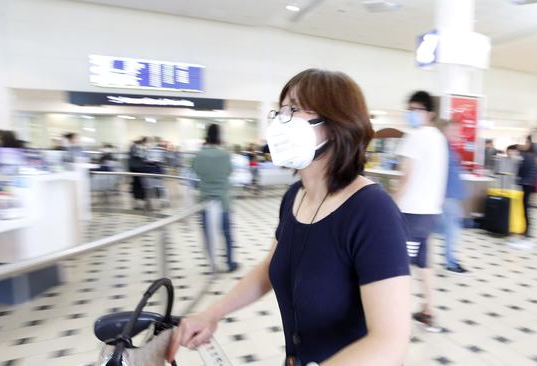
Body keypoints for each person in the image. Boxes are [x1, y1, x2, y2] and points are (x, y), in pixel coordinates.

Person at [168, 69, 410, 366]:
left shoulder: (372, 211)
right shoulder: (295, 196)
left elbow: (389, 342)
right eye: (281, 110)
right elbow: (271, 267)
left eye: (294, 110)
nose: (282, 121)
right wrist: (212, 313)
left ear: (337, 124)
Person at [394, 90, 448, 332]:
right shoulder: (438, 137)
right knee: (423, 263)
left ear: (430, 113)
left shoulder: (415, 137)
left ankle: (390, 322)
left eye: (417, 110)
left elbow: (406, 177)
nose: (412, 114)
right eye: (410, 109)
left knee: (397, 265)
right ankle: (429, 311)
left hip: (411, 213)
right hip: (429, 213)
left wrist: (390, 206)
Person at [192, 124, 237, 273]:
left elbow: (196, 172)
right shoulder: (226, 155)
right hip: (223, 201)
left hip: (204, 201)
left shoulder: (198, 155)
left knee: (208, 235)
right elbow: (229, 172)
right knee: (227, 234)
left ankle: (212, 264)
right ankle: (230, 263)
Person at [436, 121, 469, 274]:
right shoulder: (441, 148)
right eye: (454, 130)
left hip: (452, 197)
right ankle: (451, 262)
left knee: (450, 229)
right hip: (447, 197)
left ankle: (450, 260)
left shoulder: (449, 148)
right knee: (452, 230)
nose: (457, 134)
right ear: (445, 130)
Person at [511, 136, 537, 249]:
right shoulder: (533, 156)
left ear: (529, 144)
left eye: (526, 142)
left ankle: (527, 232)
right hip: (530, 184)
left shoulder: (526, 156)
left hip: (526, 184)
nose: (524, 144)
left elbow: (522, 170)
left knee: (525, 209)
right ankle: (526, 231)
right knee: (526, 208)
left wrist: (517, 177)